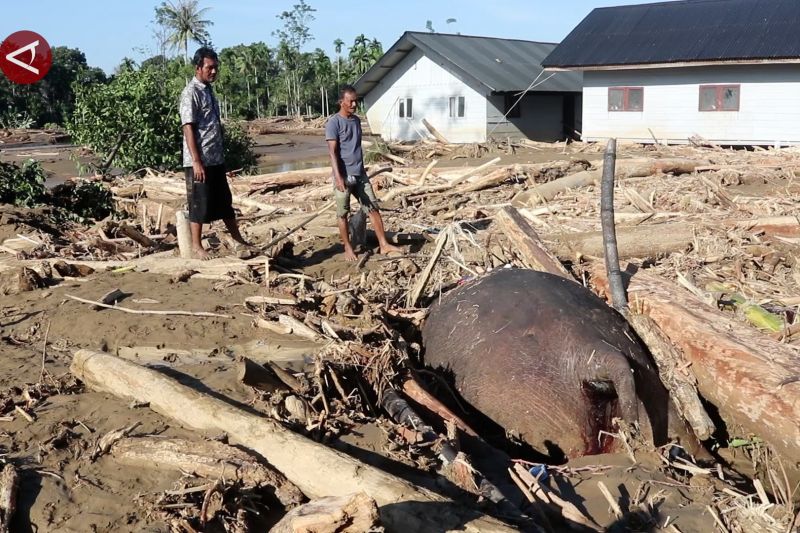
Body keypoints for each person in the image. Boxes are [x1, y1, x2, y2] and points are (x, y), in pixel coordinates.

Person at [179, 46, 249, 259]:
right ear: (198, 68)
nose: (214, 71)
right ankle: (197, 246)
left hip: (215, 158)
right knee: (198, 203)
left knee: (224, 201)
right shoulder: (190, 92)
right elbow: (188, 127)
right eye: (209, 67)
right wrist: (196, 161)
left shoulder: (208, 91)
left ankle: (238, 239)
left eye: (215, 67)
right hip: (199, 160)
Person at [326, 85, 402, 262]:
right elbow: (332, 153)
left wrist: (361, 169)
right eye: (351, 101)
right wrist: (339, 177)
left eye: (356, 101)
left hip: (360, 174)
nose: (354, 104)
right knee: (342, 213)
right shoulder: (334, 123)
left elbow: (355, 147)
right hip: (343, 176)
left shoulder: (356, 121)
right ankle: (348, 247)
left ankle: (383, 244)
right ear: (341, 102)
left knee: (373, 208)